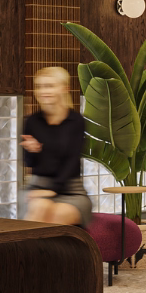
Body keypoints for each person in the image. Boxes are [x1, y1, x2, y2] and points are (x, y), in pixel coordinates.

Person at [20, 66, 92, 226]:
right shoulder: (32, 122)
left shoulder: (76, 121)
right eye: (39, 86)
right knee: (40, 207)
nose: (43, 91)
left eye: (49, 86)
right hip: (39, 186)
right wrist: (32, 151)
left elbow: (72, 161)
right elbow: (29, 163)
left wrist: (53, 190)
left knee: (57, 215)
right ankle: (21, 250)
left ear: (64, 88)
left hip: (71, 190)